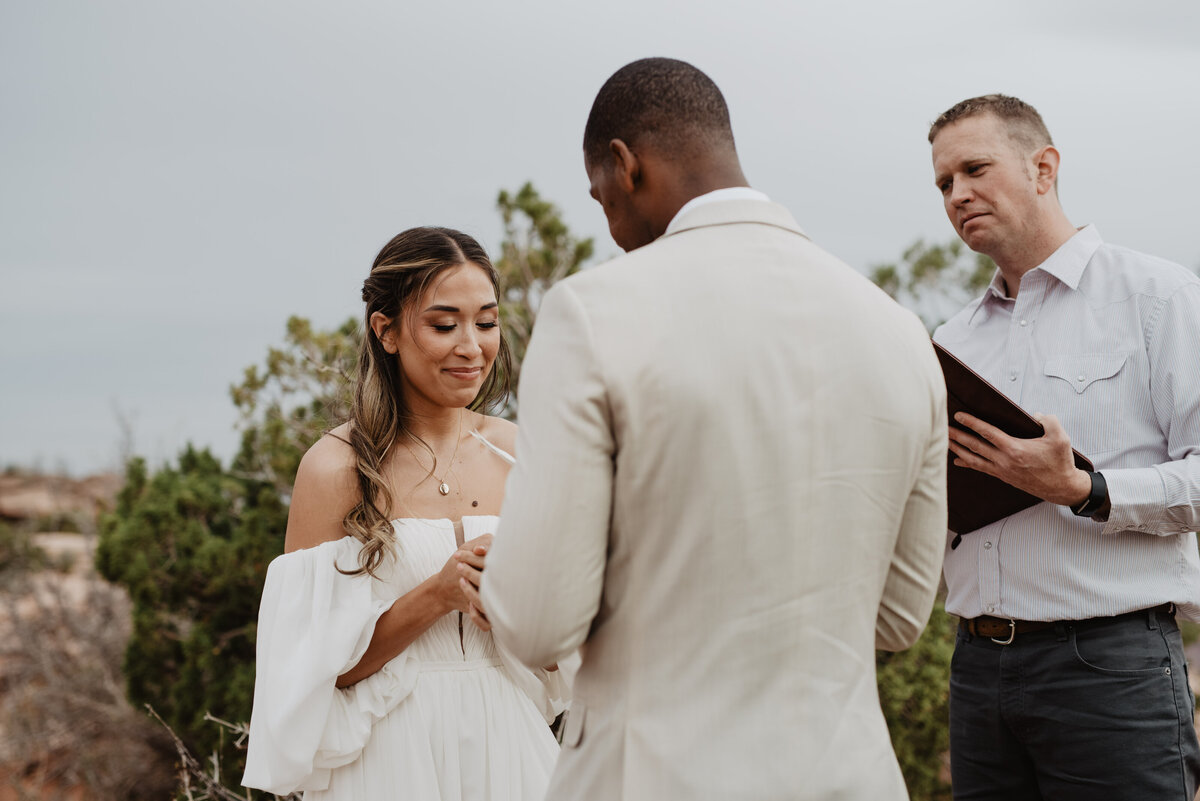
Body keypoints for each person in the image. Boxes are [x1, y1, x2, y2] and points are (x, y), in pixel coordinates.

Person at [460, 58, 948, 800]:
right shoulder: (901, 332)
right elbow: (902, 614)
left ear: (625, 166)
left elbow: (535, 621)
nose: (613, 227)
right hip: (851, 777)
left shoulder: (593, 313)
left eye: (601, 199)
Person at [928, 94, 1200, 800]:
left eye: (974, 169)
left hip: (1111, 671)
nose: (958, 195)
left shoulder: (1159, 298)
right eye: (943, 183)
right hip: (976, 669)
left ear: (1043, 167)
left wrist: (1086, 488)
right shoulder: (952, 342)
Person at [241, 226, 571, 800]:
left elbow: (563, 648)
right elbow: (312, 673)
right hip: (388, 758)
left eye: (486, 322)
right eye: (445, 325)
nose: (472, 346)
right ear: (386, 331)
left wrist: (525, 612)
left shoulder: (525, 453)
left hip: (512, 747)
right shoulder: (336, 468)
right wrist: (438, 594)